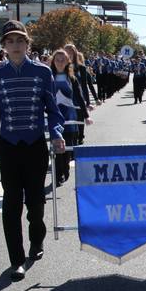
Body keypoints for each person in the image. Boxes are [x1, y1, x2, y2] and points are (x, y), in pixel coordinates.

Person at [0, 20, 66, 281]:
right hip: (8, 147)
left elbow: (53, 111)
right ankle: (17, 260)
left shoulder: (42, 73)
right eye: (10, 41)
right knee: (11, 204)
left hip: (34, 146)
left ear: (28, 44)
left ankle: (36, 241)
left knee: (36, 204)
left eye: (20, 41)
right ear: (4, 46)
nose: (15, 46)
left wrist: (56, 133)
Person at [50, 49, 91, 187]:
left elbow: (79, 98)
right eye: (57, 60)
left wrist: (86, 116)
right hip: (54, 117)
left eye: (63, 60)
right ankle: (56, 175)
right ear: (53, 61)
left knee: (67, 148)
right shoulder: (48, 77)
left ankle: (65, 169)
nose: (60, 63)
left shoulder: (72, 79)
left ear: (68, 61)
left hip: (69, 116)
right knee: (56, 147)